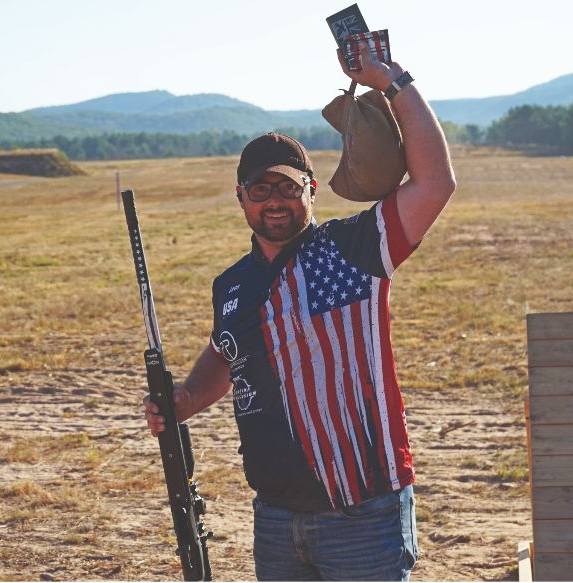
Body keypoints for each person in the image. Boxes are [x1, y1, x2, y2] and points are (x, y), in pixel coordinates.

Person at [144, 42, 456, 581]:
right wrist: (188, 398)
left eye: (288, 187)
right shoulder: (233, 285)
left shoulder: (353, 249)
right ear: (241, 197)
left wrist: (393, 82)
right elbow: (228, 349)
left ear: (312, 192)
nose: (275, 200)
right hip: (275, 514)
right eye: (261, 189)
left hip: (362, 509)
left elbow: (435, 183)